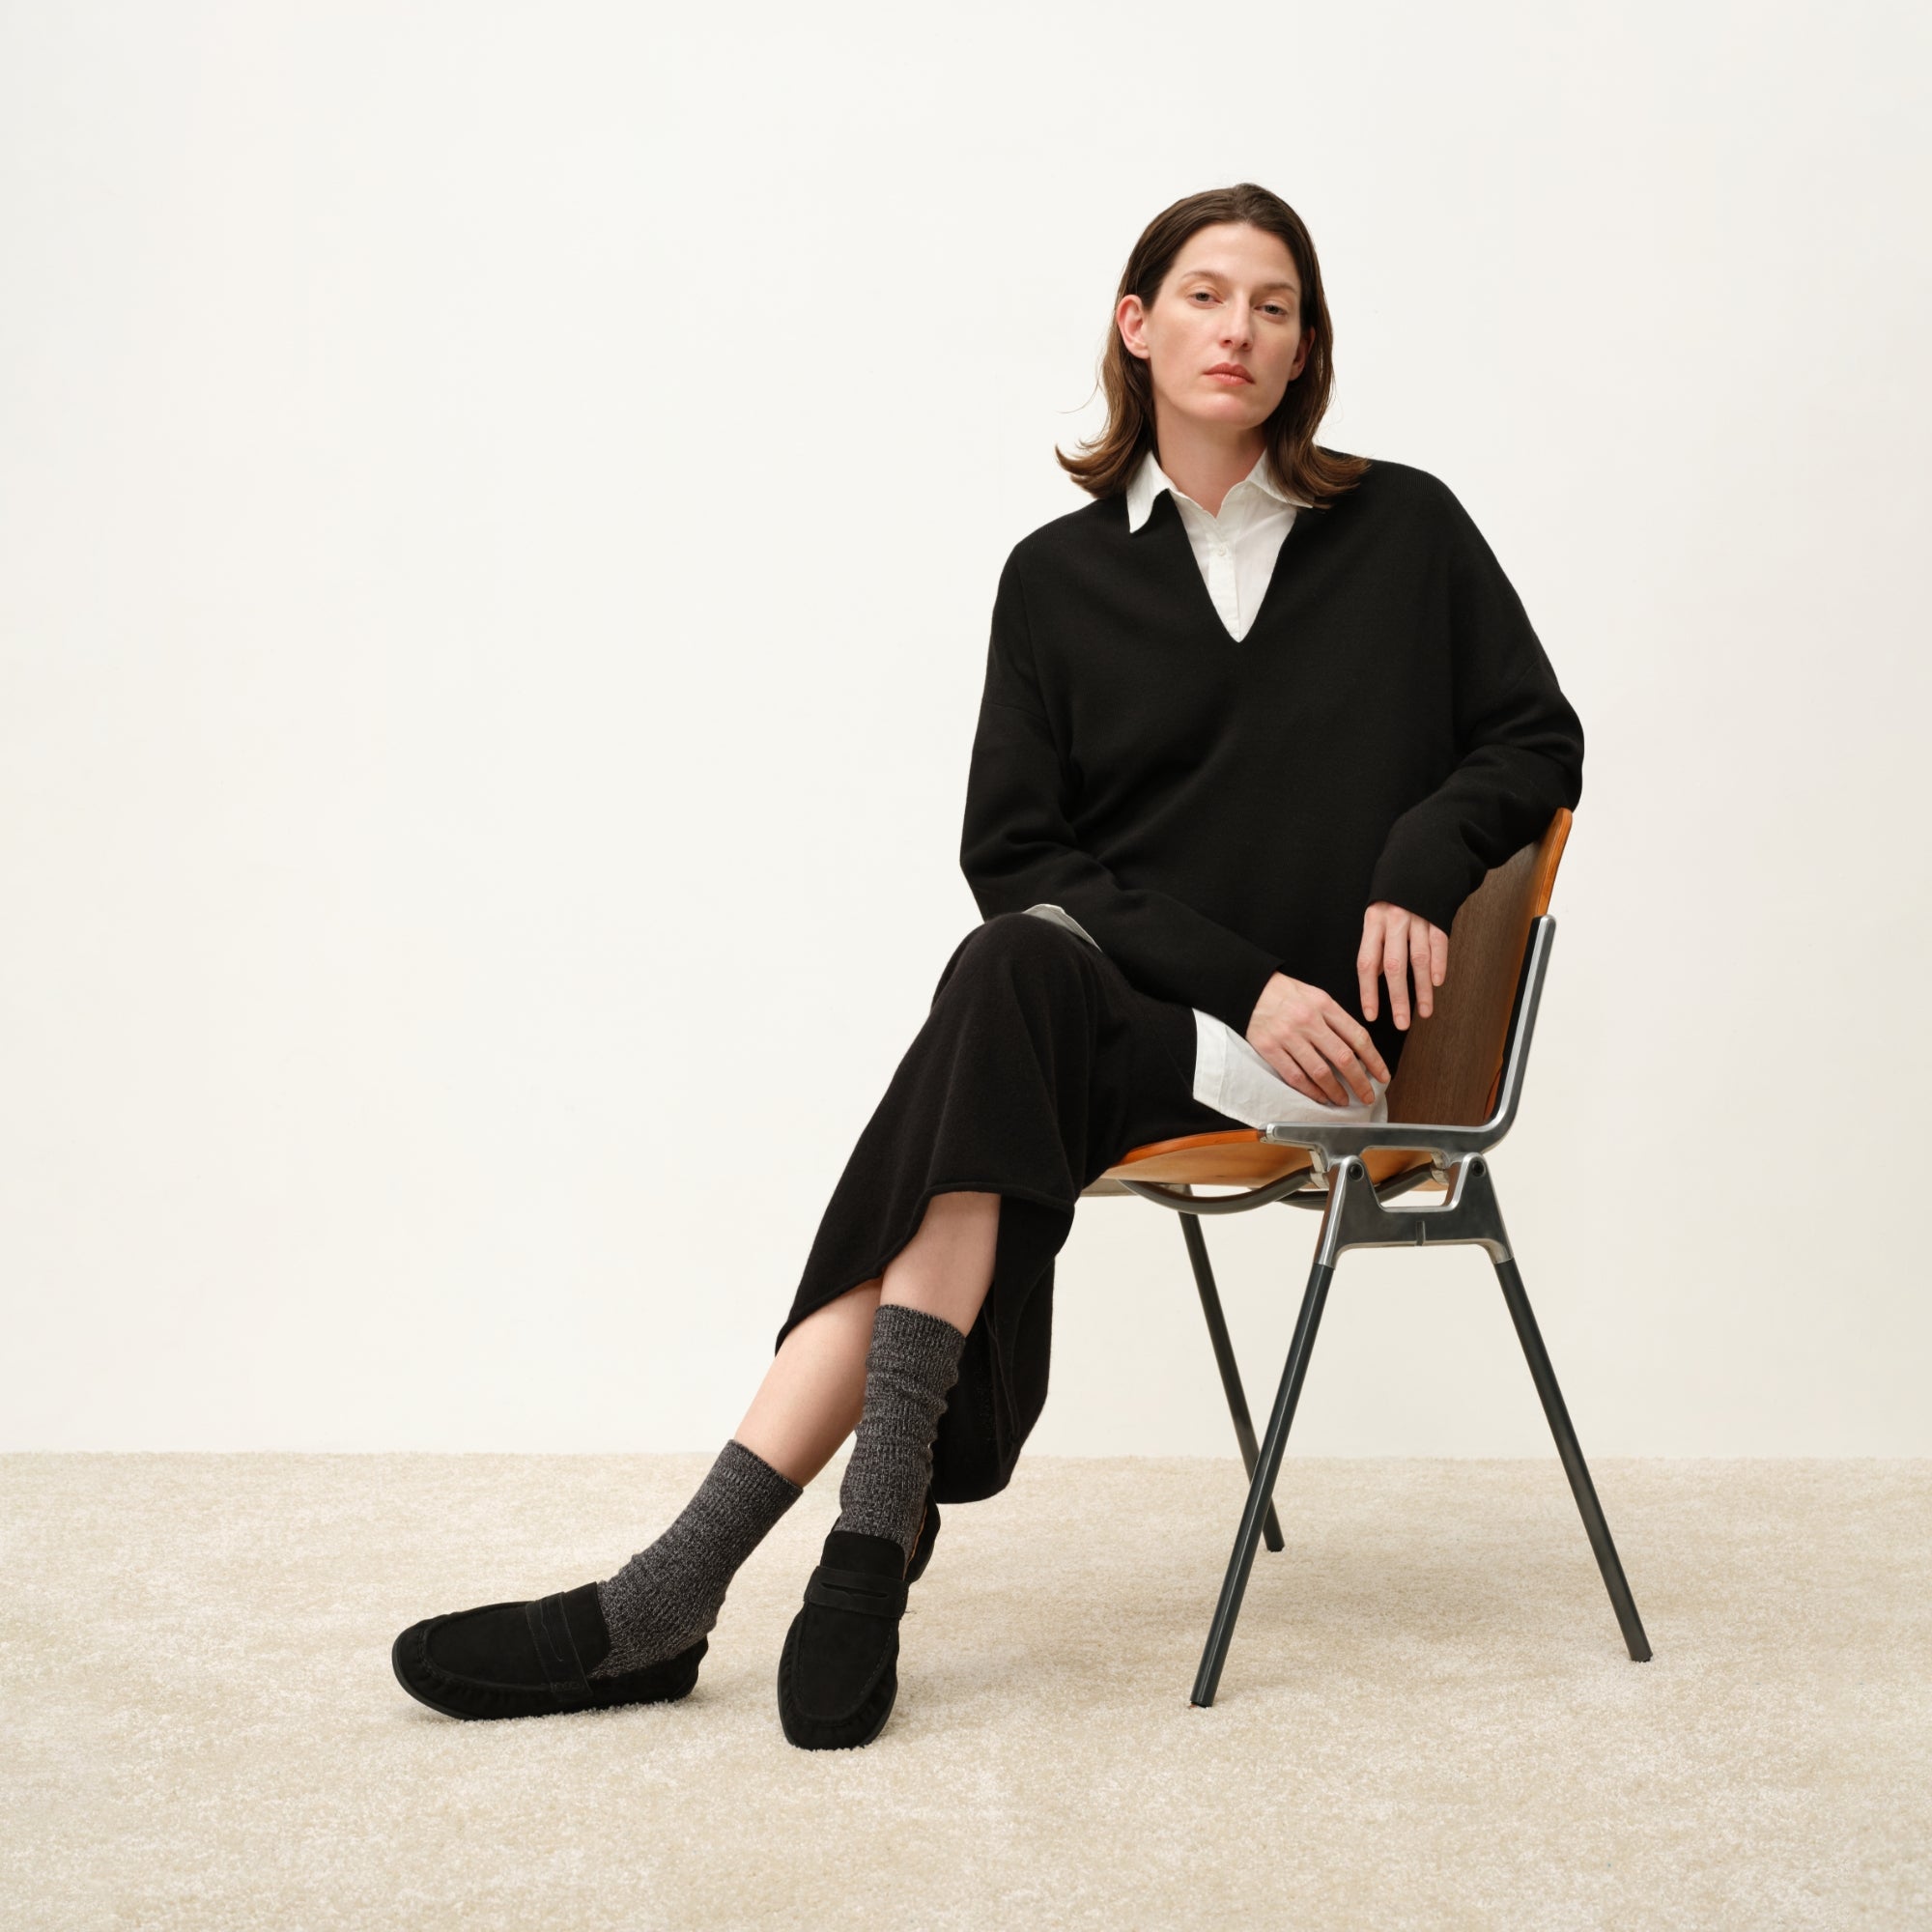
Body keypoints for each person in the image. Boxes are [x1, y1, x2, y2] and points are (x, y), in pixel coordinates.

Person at [389, 183, 1584, 1750]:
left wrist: (1422, 860)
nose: (1239, 328)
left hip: (1340, 1059)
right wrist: (1241, 983)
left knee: (993, 1027)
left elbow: (1535, 737)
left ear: (1307, 350)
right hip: (1149, 1037)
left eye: (1276, 305)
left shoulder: (1405, 530)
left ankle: (680, 1588)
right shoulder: (1056, 577)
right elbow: (1017, 854)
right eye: (1205, 294)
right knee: (1012, 972)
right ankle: (853, 1541)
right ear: (1136, 325)